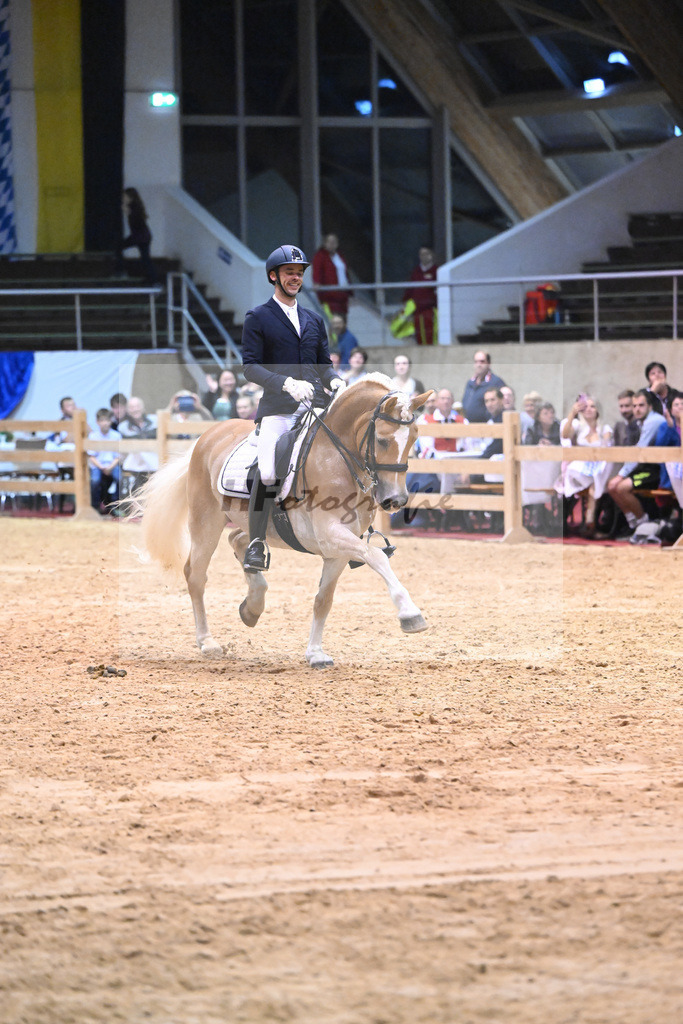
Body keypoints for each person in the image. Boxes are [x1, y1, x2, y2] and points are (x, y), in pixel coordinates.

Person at [240, 243, 346, 572]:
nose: (295, 278)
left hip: (317, 406)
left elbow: (323, 364)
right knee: (269, 471)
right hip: (280, 408)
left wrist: (335, 381)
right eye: (289, 273)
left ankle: (360, 530)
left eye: (299, 274)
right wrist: (285, 383)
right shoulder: (258, 317)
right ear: (274, 276)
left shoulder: (313, 319)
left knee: (348, 454)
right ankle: (257, 542)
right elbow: (250, 367)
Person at [606, 388, 666, 536]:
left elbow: (639, 451)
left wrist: (621, 475)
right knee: (612, 487)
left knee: (620, 487)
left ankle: (642, 524)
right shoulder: (641, 422)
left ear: (650, 406)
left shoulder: (653, 421)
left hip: (657, 470)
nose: (637, 409)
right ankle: (632, 522)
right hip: (645, 467)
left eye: (641, 405)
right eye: (635, 406)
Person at [560, 394, 614, 538]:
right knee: (574, 471)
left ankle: (590, 523)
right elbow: (565, 435)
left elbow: (607, 448)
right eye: (586, 407)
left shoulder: (605, 428)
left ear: (598, 410)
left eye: (592, 406)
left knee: (596, 483)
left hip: (600, 467)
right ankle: (587, 523)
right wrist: (572, 413)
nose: (589, 409)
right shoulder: (578, 427)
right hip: (581, 469)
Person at [115, 187, 157, 285]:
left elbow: (135, 222)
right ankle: (152, 278)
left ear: (130, 197)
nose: (123, 198)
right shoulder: (135, 206)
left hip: (140, 236)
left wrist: (127, 211)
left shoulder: (134, 207)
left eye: (124, 196)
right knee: (145, 258)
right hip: (143, 236)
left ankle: (121, 271)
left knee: (119, 247)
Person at [118, 396, 158, 489]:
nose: (135, 409)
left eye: (137, 406)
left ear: (143, 408)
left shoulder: (155, 420)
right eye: (132, 407)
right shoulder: (123, 427)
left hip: (154, 461)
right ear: (127, 410)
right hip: (134, 465)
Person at [88, 408, 122, 513]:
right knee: (95, 481)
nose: (105, 423)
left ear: (111, 421)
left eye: (107, 420)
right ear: (97, 422)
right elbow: (91, 456)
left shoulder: (116, 435)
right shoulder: (93, 436)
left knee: (120, 479)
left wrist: (111, 467)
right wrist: (101, 467)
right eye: (102, 420)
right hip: (97, 465)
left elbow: (118, 455)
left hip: (113, 464)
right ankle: (95, 506)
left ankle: (115, 505)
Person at [403, 245, 438, 345]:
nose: (424, 256)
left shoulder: (436, 271)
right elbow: (410, 288)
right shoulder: (416, 271)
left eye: (426, 253)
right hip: (417, 309)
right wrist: (405, 301)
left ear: (431, 255)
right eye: (421, 254)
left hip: (430, 309)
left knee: (431, 335)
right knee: (419, 335)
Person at [311, 233, 353, 317]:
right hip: (329, 296)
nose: (332, 244)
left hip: (343, 296)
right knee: (334, 323)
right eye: (329, 242)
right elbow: (317, 271)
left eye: (334, 242)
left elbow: (345, 274)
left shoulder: (339, 256)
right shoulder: (320, 256)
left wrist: (350, 293)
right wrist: (317, 283)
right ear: (325, 243)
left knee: (342, 322)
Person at [461, 351, 506, 423]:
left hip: (488, 426)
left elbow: (503, 406)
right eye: (476, 362)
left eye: (482, 361)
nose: (479, 364)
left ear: (488, 363)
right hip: (468, 426)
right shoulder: (470, 383)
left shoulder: (496, 382)